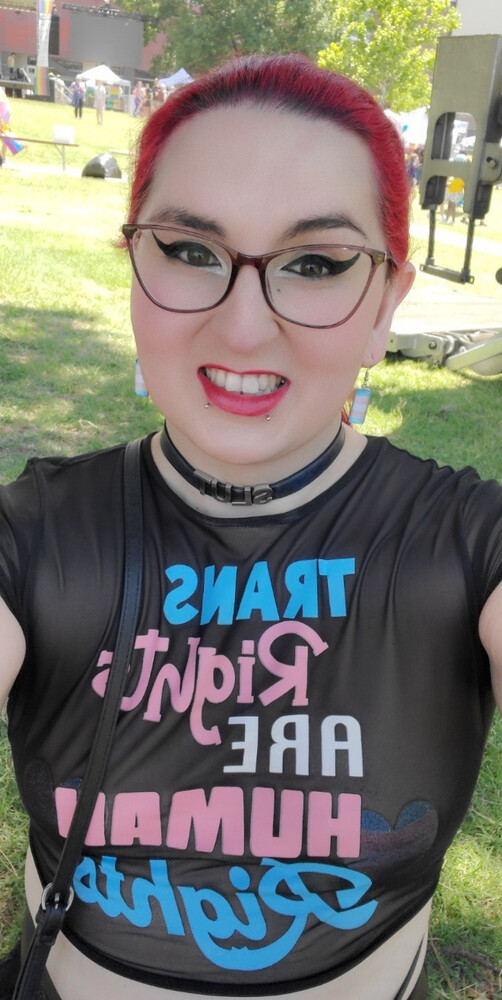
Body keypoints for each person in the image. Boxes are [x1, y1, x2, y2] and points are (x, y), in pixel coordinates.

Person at [0, 53, 501, 1000]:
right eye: (191, 251)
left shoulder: (463, 542)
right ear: (133, 267)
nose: (241, 329)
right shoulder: (37, 532)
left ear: (386, 304)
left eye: (316, 265)